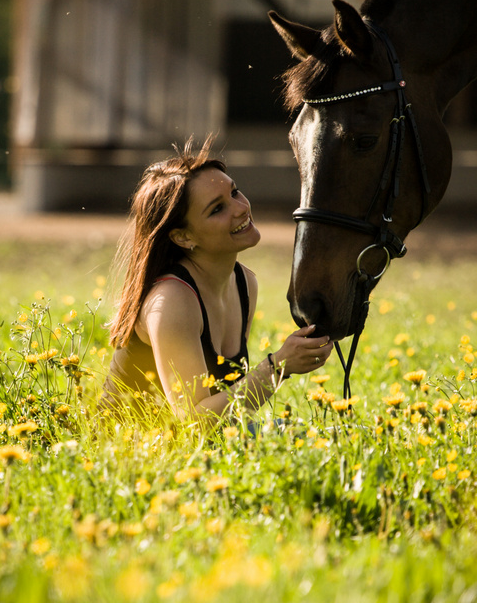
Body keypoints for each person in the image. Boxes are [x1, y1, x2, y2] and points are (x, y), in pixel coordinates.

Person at [100, 139, 333, 425]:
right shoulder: (172, 301)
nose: (240, 208)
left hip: (195, 453)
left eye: (234, 192)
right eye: (216, 209)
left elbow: (227, 415)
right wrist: (278, 367)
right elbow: (193, 423)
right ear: (183, 237)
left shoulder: (245, 283)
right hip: (130, 452)